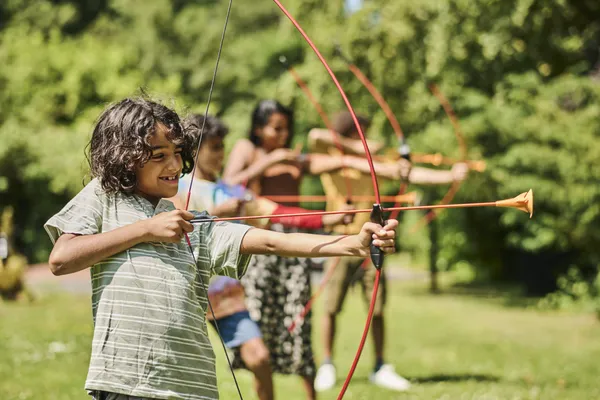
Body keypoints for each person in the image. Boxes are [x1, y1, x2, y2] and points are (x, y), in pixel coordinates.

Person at [44, 97, 398, 400]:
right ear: (125, 157)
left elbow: (275, 240)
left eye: (177, 153)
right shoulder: (105, 198)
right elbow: (61, 259)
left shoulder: (193, 222)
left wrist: (354, 244)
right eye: (157, 155)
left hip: (191, 383)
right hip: (124, 379)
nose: (173, 165)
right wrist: (145, 230)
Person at [222, 100, 405, 399]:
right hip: (259, 242)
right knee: (260, 329)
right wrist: (273, 159)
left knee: (298, 320)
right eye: (275, 128)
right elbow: (228, 184)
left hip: (296, 242)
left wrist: (387, 167)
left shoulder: (294, 158)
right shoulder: (248, 148)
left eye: (286, 128)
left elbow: (341, 163)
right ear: (258, 128)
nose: (283, 134)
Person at [170, 113, 353, 400]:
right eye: (214, 147)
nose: (221, 154)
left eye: (222, 146)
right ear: (194, 150)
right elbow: (171, 224)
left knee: (259, 358)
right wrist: (218, 214)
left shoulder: (233, 192)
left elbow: (279, 213)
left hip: (222, 293)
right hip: (179, 293)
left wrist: (330, 219)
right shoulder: (174, 186)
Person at [308, 111, 469, 392]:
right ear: (350, 131)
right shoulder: (329, 153)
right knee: (331, 307)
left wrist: (450, 175)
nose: (368, 137)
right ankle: (327, 364)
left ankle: (380, 365)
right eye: (363, 131)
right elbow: (314, 135)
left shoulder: (374, 161)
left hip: (372, 240)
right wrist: (359, 149)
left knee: (377, 307)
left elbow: (407, 172)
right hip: (340, 240)